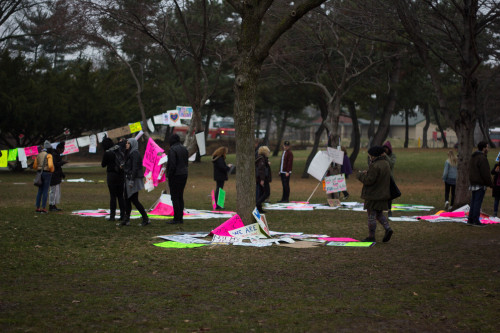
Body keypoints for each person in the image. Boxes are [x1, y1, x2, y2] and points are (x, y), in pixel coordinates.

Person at [356, 146, 393, 242]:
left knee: (371, 215)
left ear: (374, 155)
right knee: (379, 214)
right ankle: (388, 228)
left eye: (370, 156)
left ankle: (371, 236)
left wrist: (360, 175)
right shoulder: (386, 163)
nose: (369, 157)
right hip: (383, 193)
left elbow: (369, 180)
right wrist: (368, 172)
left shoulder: (375, 165)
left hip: (373, 194)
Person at [121, 138, 150, 226]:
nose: (126, 145)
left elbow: (135, 168)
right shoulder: (130, 153)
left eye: (128, 143)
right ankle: (127, 219)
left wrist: (132, 181)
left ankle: (145, 219)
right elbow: (129, 165)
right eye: (127, 143)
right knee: (127, 199)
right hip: (128, 178)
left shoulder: (135, 153)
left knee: (134, 200)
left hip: (132, 179)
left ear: (133, 144)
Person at [467, 141, 493, 226]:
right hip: (480, 184)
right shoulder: (482, 158)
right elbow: (485, 173)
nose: (488, 149)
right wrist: (490, 183)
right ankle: (475, 220)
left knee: (473, 202)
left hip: (473, 183)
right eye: (487, 147)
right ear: (483, 148)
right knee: (477, 203)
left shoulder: (473, 157)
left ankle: (470, 219)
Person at [101, 137, 126, 222]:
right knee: (120, 196)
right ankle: (123, 215)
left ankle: (112, 216)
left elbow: (103, 165)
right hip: (121, 175)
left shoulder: (107, 153)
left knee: (113, 196)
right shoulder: (118, 149)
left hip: (112, 175)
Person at [166, 134, 189, 224]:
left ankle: (176, 218)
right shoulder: (184, 149)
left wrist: (169, 175)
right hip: (184, 173)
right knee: (180, 196)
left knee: (174, 196)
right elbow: (186, 163)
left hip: (175, 175)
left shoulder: (172, 150)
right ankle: (180, 217)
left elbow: (172, 164)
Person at [33, 140, 55, 214]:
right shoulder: (49, 155)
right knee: (45, 191)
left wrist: (39, 169)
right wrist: (51, 171)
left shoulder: (38, 154)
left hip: (39, 173)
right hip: (47, 174)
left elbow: (35, 166)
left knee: (40, 191)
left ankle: (37, 207)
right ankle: (44, 208)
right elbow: (50, 165)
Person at [48, 142, 67, 212]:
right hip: (53, 175)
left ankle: (54, 204)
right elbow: (54, 164)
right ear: (58, 149)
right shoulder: (54, 155)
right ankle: (51, 205)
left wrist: (62, 174)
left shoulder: (57, 154)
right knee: (53, 191)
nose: (63, 151)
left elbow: (58, 167)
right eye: (62, 149)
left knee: (56, 191)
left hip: (57, 175)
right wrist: (62, 163)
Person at [255, 145, 272, 213]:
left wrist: (267, 163)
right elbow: (261, 170)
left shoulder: (261, 158)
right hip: (263, 179)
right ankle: (257, 204)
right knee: (266, 193)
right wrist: (262, 179)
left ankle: (259, 208)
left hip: (261, 178)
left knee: (261, 193)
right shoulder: (261, 159)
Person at [383, 141, 396, 216]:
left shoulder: (392, 156)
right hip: (381, 178)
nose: (385, 150)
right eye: (384, 149)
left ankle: (389, 210)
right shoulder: (380, 155)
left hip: (389, 178)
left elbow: (391, 164)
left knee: (389, 195)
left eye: (386, 149)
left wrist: (385, 156)